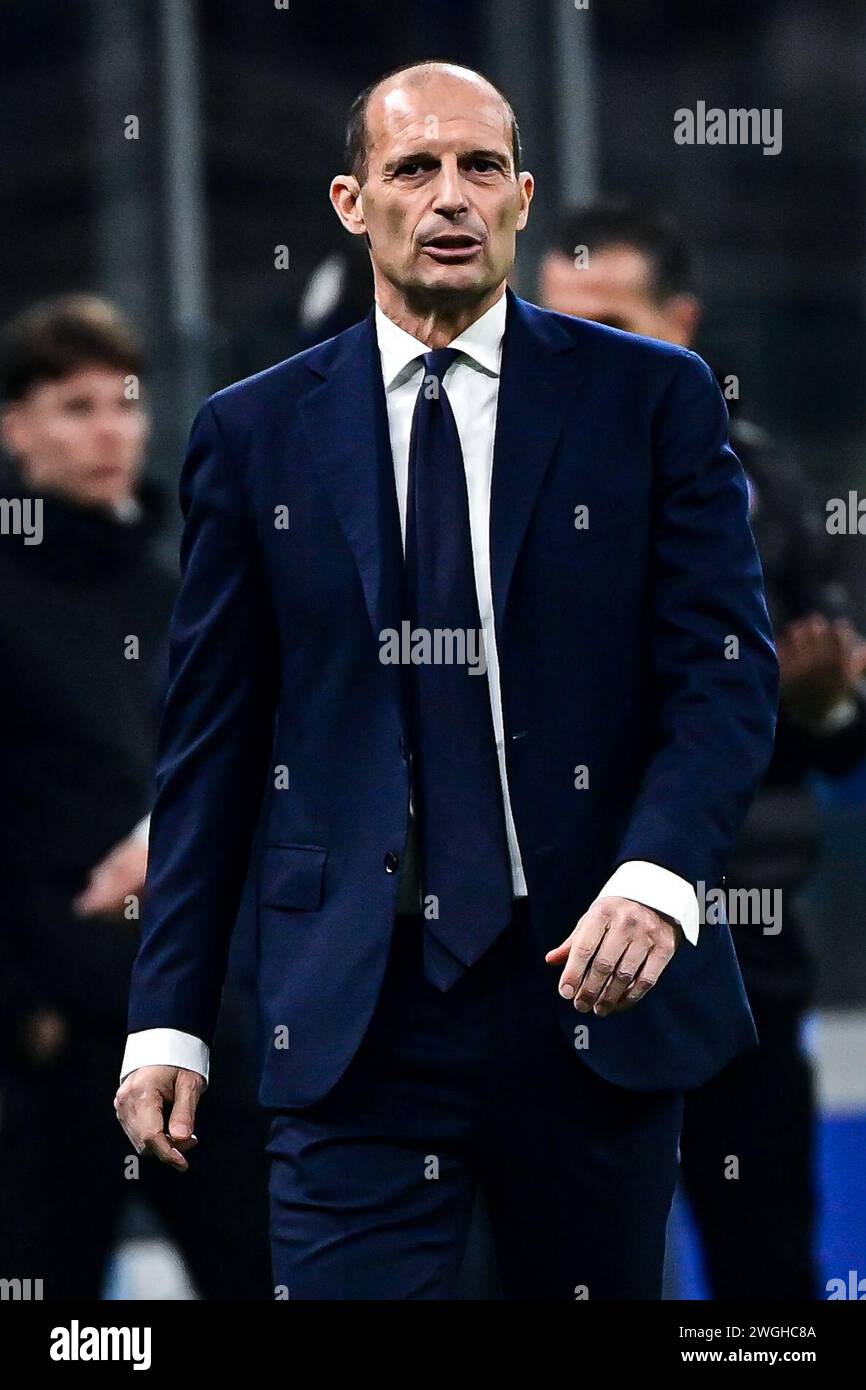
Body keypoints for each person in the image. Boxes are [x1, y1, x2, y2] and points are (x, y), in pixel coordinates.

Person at [115, 62, 777, 1301]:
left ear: (522, 198)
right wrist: (169, 1018)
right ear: (351, 202)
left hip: (588, 994)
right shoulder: (251, 434)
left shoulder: (648, 400)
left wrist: (655, 876)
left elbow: (723, 679)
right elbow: (209, 749)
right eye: (413, 169)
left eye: (480, 168)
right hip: (349, 1019)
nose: (450, 196)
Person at [540, 200, 866, 1299]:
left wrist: (813, 702)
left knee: (761, 1266)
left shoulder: (760, 481)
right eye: (560, 316)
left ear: (679, 321)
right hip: (539, 956)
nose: (583, 344)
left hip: (737, 939)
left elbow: (837, 725)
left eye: (614, 318)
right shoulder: (480, 477)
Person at [0, 294, 271, 1299]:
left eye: (123, 402)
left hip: (204, 1026)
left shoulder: (180, 591)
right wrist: (25, 1009)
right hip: (48, 1053)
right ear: (15, 427)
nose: (109, 428)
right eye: (75, 407)